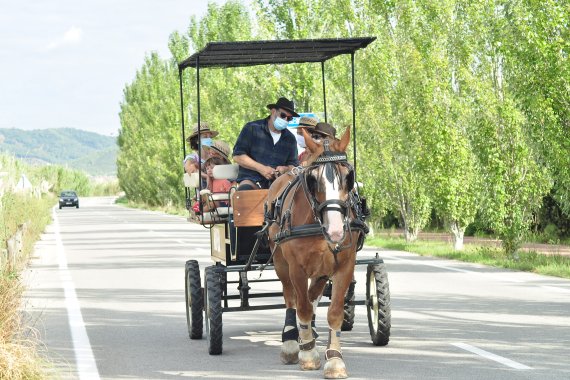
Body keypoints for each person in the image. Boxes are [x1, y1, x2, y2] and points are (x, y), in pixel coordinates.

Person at [232, 97, 300, 190]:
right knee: (244, 194)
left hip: (279, 186)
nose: (285, 120)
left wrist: (285, 169)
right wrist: (261, 168)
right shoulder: (252, 128)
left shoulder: (290, 139)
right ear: (273, 111)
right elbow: (238, 156)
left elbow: (294, 166)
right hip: (251, 181)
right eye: (283, 115)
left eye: (289, 118)